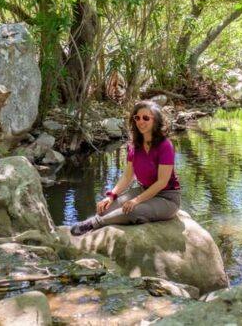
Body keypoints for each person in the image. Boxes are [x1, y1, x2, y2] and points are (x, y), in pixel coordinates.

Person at [70, 100, 181, 236]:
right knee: (105, 208)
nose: (141, 121)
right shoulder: (134, 146)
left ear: (155, 120)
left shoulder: (165, 145)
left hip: (167, 198)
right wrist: (111, 196)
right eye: (137, 118)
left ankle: (94, 223)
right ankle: (109, 217)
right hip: (144, 190)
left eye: (146, 118)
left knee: (132, 210)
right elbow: (128, 177)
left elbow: (162, 182)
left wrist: (136, 201)